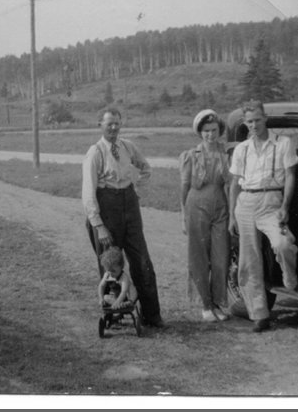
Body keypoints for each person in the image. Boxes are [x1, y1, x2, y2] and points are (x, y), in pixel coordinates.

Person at [228, 99, 298, 333]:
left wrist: (285, 205)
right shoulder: (242, 149)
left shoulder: (283, 143)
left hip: (271, 201)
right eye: (249, 122)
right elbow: (234, 183)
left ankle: (291, 281)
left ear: (265, 119)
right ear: (245, 123)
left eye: (257, 120)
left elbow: (290, 176)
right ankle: (259, 314)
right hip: (245, 201)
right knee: (249, 261)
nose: (254, 125)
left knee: (283, 243)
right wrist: (234, 214)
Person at [82, 107, 164, 328]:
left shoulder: (128, 147)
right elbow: (88, 193)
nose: (114, 127)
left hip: (129, 206)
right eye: (109, 123)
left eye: (117, 123)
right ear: (100, 125)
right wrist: (98, 225)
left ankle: (152, 316)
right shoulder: (96, 152)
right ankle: (114, 315)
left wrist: (136, 191)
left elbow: (146, 168)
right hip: (106, 211)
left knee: (142, 262)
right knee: (111, 265)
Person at [179, 109, 231, 322]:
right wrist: (183, 215)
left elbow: (230, 182)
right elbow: (183, 188)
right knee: (199, 256)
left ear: (220, 131)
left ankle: (218, 303)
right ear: (200, 133)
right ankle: (206, 304)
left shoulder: (225, 154)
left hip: (220, 207)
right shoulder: (191, 156)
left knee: (221, 257)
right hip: (196, 205)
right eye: (206, 131)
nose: (210, 134)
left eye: (214, 130)